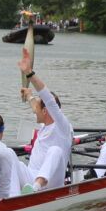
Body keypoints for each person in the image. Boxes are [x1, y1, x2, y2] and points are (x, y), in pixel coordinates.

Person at [15, 51, 72, 192]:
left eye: (39, 108)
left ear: (46, 111)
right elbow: (36, 106)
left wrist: (29, 72)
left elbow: (47, 98)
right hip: (31, 176)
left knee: (55, 151)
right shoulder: (43, 124)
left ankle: (34, 189)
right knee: (9, 157)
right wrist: (29, 95)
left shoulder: (62, 126)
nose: (34, 111)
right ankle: (6, 194)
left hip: (52, 182)